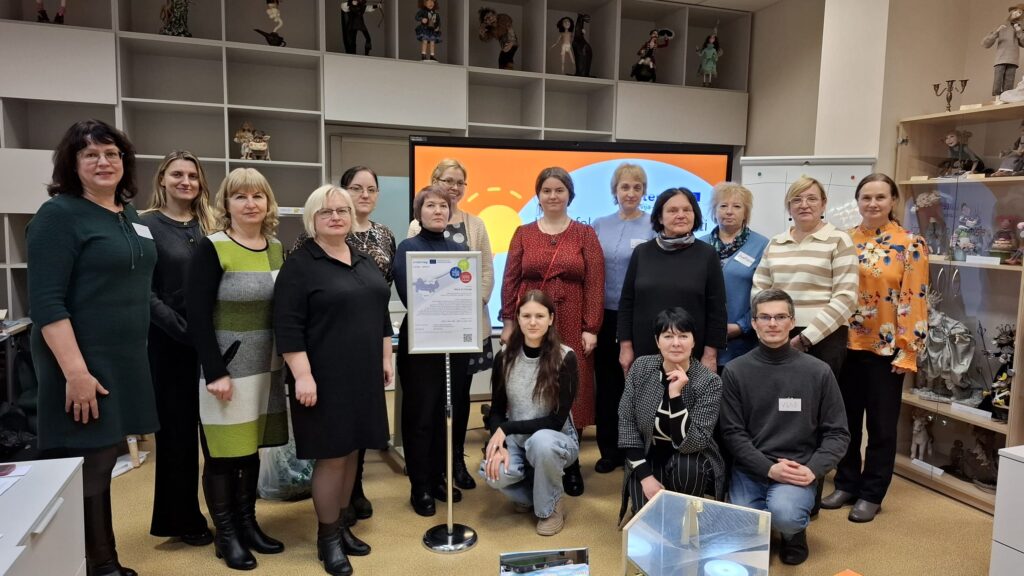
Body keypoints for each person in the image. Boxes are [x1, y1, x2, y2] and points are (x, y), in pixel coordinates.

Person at [28, 119, 157, 576]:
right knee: (91, 459)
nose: (104, 162)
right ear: (73, 163)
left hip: (123, 356)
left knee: (105, 456)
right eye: (91, 155)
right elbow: (46, 303)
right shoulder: (58, 215)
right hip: (80, 359)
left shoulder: (129, 214)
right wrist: (76, 373)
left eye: (112, 153)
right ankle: (99, 563)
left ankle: (100, 558)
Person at [275, 185, 392, 576]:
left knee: (354, 450)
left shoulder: (362, 258)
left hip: (363, 374)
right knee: (332, 456)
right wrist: (302, 376)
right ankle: (327, 540)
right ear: (312, 219)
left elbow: (380, 312)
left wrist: (385, 357)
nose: (336, 217)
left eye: (342, 210)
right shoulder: (300, 264)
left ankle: (341, 527)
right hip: (322, 377)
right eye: (326, 212)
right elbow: (287, 326)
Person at [186, 167, 288, 570]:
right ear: (226, 203)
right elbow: (196, 315)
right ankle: (226, 534)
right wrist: (215, 371)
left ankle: (248, 524)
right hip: (227, 371)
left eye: (257, 196)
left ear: (268, 202)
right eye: (240, 196)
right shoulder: (212, 247)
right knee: (223, 455)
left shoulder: (275, 248)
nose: (250, 204)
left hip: (266, 369)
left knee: (250, 450)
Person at [822, 174, 929, 523]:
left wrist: (908, 349)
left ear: (893, 200)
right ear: (857, 201)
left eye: (880, 197)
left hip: (887, 350)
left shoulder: (910, 243)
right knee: (846, 421)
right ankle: (846, 482)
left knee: (882, 427)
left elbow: (915, 298)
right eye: (866, 197)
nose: (872, 203)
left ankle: (872, 492)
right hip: (844, 344)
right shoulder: (844, 239)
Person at [720, 289, 850, 566]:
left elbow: (838, 433)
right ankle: (764, 525)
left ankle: (794, 533)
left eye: (780, 317)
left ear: (792, 322)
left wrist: (813, 470)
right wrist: (767, 468)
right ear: (754, 323)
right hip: (751, 467)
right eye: (764, 317)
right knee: (743, 530)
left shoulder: (818, 372)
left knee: (786, 515)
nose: (773, 324)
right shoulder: (735, 371)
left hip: (797, 469)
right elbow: (732, 433)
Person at [500, 166, 604, 497]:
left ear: (570, 195)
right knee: (532, 385)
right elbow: (510, 279)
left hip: (572, 317)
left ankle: (569, 462)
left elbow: (595, 282)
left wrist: (591, 327)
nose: (553, 195)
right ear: (538, 195)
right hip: (532, 318)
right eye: (546, 190)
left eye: (559, 190)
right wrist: (508, 322)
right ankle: (531, 455)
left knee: (574, 388)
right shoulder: (523, 233)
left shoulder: (585, 234)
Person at [141, 150, 217, 547]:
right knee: (177, 435)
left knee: (219, 435)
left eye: (192, 175)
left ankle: (226, 511)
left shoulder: (212, 224)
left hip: (214, 342)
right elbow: (144, 291)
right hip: (171, 344)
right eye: (177, 174)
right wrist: (184, 330)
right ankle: (182, 518)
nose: (185, 181)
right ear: (162, 179)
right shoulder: (143, 225)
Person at [409, 158, 495, 491]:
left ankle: (457, 459)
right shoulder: (417, 226)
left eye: (460, 182)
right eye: (447, 181)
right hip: (433, 331)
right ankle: (434, 465)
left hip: (468, 328)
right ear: (434, 182)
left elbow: (485, 271)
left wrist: (470, 306)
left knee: (460, 397)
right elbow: (416, 275)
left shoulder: (476, 224)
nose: (454, 188)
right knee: (432, 400)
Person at [394, 185, 470, 517]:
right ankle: (420, 485)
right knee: (420, 417)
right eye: (430, 206)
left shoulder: (460, 249)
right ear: (419, 212)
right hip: (422, 344)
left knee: (446, 416)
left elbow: (465, 293)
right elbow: (410, 295)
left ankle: (440, 477)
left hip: (454, 343)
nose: (438, 211)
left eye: (443, 206)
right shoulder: (408, 248)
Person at [481, 290, 579, 536]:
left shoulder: (566, 357)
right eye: (526, 316)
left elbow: (556, 421)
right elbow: (496, 411)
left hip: (555, 440)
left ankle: (550, 508)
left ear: (551, 319)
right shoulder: (504, 357)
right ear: (518, 318)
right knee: (492, 472)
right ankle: (534, 492)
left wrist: (506, 429)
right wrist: (500, 444)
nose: (532, 322)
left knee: (541, 442)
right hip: (517, 440)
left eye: (539, 316)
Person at [617, 307, 725, 523]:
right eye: (668, 336)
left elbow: (692, 443)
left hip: (692, 458)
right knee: (648, 520)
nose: (676, 343)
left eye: (683, 336)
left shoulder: (710, 381)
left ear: (694, 341)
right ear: (657, 341)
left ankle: (688, 520)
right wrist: (646, 477)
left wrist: (675, 396)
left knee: (686, 472)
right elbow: (627, 423)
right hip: (650, 454)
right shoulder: (641, 368)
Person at [751, 176, 858, 377]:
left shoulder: (839, 240)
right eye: (797, 199)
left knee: (815, 395)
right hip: (778, 334)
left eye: (812, 199)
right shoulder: (776, 242)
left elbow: (846, 298)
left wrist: (805, 338)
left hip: (824, 338)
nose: (804, 205)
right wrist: (767, 326)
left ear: (823, 204)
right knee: (777, 393)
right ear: (789, 207)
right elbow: (760, 290)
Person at [618, 188, 727, 375]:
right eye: (673, 210)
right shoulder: (642, 253)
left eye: (687, 210)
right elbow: (627, 303)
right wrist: (625, 346)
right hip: (645, 352)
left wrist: (710, 354)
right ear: (660, 218)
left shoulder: (707, 254)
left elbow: (717, 309)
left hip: (691, 355)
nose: (681, 215)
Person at [591, 163, 655, 474]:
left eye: (637, 187)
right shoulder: (599, 225)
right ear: (614, 191)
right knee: (607, 384)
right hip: (605, 315)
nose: (630, 193)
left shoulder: (654, 225)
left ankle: (638, 451)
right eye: (624, 187)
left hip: (640, 316)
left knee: (639, 384)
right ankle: (609, 450)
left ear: (644, 192)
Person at [698, 182, 769, 372]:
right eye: (723, 205)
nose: (729, 211)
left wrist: (741, 326)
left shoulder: (762, 245)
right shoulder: (698, 245)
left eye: (737, 206)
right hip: (703, 342)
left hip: (745, 342)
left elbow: (766, 294)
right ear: (714, 211)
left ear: (746, 213)